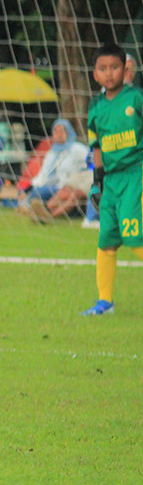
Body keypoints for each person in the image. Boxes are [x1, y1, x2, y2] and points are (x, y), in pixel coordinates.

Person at [81, 42, 143, 316]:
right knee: (106, 240)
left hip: (135, 174)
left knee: (135, 239)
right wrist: (97, 181)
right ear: (95, 75)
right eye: (102, 68)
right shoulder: (95, 108)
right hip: (110, 182)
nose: (109, 73)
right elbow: (97, 147)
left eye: (115, 67)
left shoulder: (136, 99)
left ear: (125, 69)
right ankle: (104, 302)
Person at [16, 119, 90, 223]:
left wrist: (81, 176)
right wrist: (27, 189)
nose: (59, 134)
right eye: (56, 131)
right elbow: (42, 175)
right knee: (28, 192)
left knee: (41, 192)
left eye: (62, 131)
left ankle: (37, 210)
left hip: (67, 185)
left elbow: (91, 160)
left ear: (68, 132)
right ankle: (40, 211)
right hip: (48, 185)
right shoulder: (51, 153)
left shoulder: (77, 149)